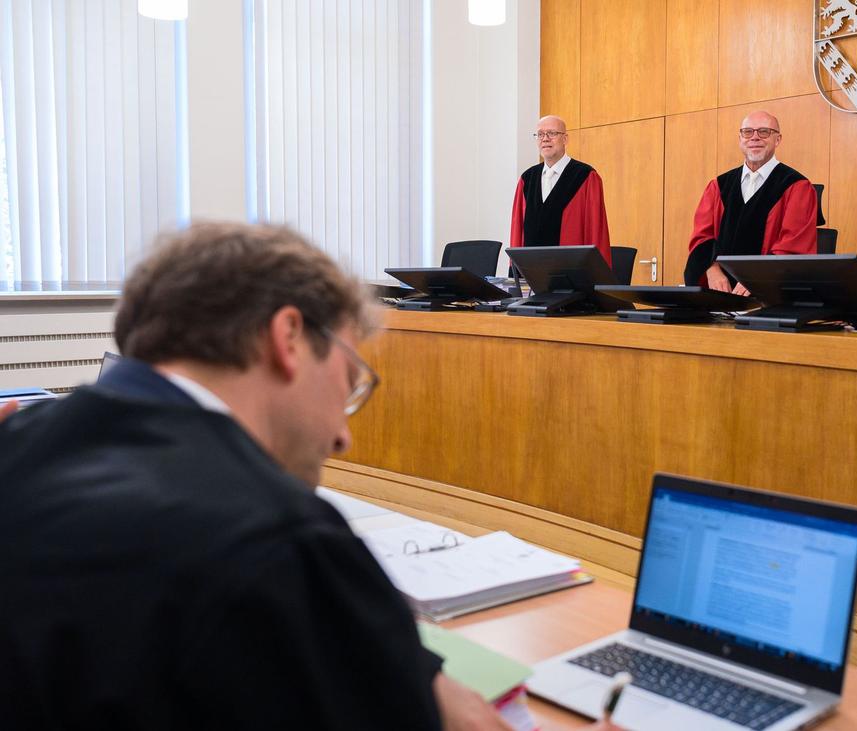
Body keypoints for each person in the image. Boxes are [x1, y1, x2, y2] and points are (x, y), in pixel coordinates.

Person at [0, 223, 617, 730]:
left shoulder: (20, 445)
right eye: (347, 381)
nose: (342, 436)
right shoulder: (278, 538)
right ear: (288, 337)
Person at [684, 110, 820, 295]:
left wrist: (757, 279)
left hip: (769, 295)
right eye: (748, 132)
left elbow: (793, 247)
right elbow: (702, 237)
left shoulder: (797, 187)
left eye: (764, 131)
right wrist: (712, 269)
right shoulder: (719, 186)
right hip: (721, 296)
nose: (755, 137)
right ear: (740, 138)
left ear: (778, 139)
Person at [509, 115, 612, 266]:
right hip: (531, 276)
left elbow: (596, 231)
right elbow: (517, 232)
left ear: (565, 139)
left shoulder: (585, 177)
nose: (545, 139)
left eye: (552, 133)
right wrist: (514, 272)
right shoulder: (527, 180)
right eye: (540, 134)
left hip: (572, 274)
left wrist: (596, 274)